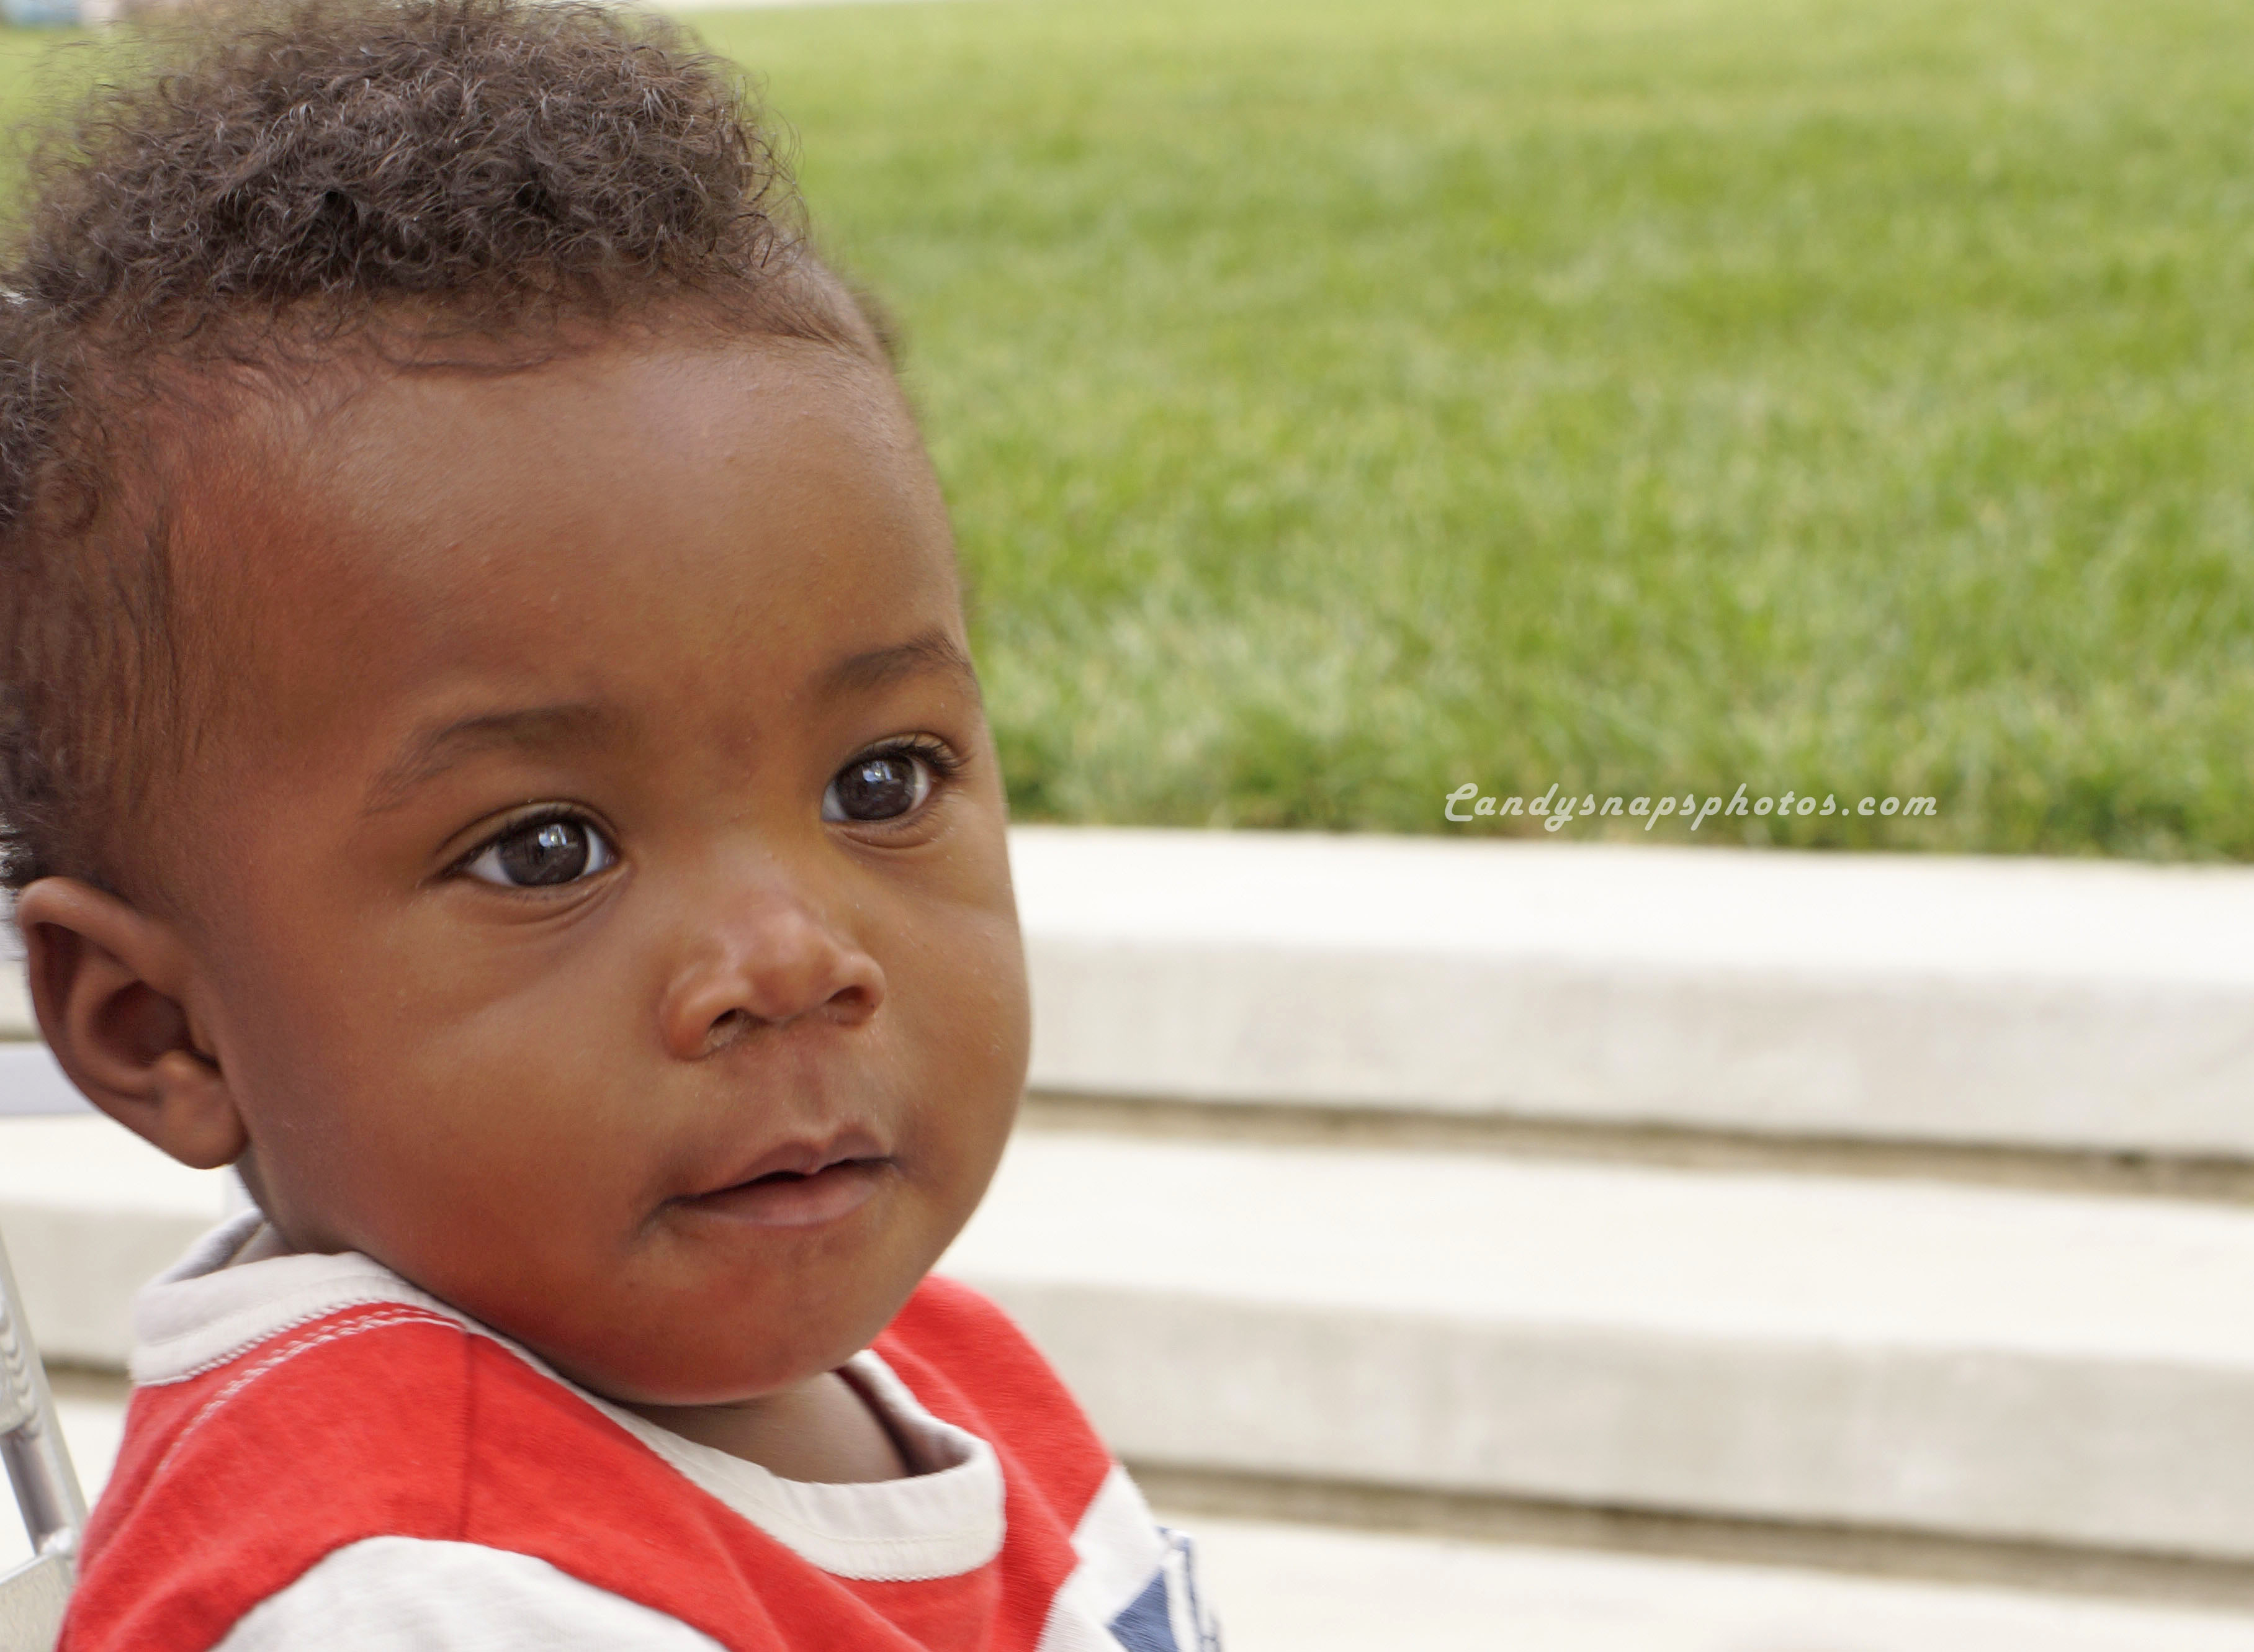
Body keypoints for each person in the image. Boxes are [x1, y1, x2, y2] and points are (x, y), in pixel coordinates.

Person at [0, 2, 1218, 1646]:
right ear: (160, 1027)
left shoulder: (951, 1372)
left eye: (879, 782)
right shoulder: (408, 1586)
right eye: (546, 850)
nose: (791, 959)